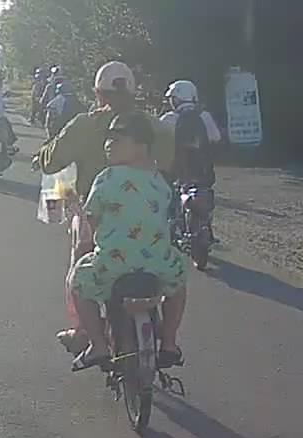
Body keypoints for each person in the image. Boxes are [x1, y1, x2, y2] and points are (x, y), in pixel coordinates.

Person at [35, 60, 175, 354]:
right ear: (133, 92)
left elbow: (51, 161)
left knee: (79, 263)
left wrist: (43, 154)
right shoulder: (153, 127)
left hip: (96, 214)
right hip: (148, 219)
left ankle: (83, 331)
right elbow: (172, 165)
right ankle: (169, 339)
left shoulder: (84, 125)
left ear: (98, 93)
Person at [66, 111, 189, 371]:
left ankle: (98, 345)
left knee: (77, 283)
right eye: (108, 139)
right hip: (158, 264)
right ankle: (169, 343)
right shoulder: (161, 181)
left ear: (141, 145)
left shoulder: (107, 177)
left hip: (113, 264)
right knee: (178, 286)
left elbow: (92, 220)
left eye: (118, 139)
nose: (109, 144)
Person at [158, 79, 222, 243]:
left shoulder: (168, 119)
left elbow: (156, 140)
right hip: (203, 171)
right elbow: (216, 137)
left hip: (178, 172)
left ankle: (172, 232)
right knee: (205, 199)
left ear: (176, 99)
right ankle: (207, 229)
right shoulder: (205, 116)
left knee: (170, 200)